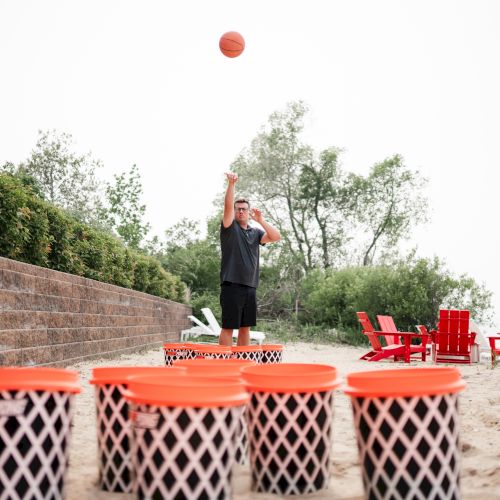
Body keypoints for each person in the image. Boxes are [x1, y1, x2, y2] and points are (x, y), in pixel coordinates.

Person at [219, 171, 281, 346]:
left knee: (245, 327)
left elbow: (276, 237)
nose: (240, 211)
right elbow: (227, 207)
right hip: (231, 284)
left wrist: (261, 220)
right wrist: (231, 184)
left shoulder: (256, 232)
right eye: (238, 209)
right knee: (228, 327)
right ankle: (224, 365)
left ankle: (241, 363)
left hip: (250, 286)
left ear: (248, 212)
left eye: (244, 209)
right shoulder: (229, 228)